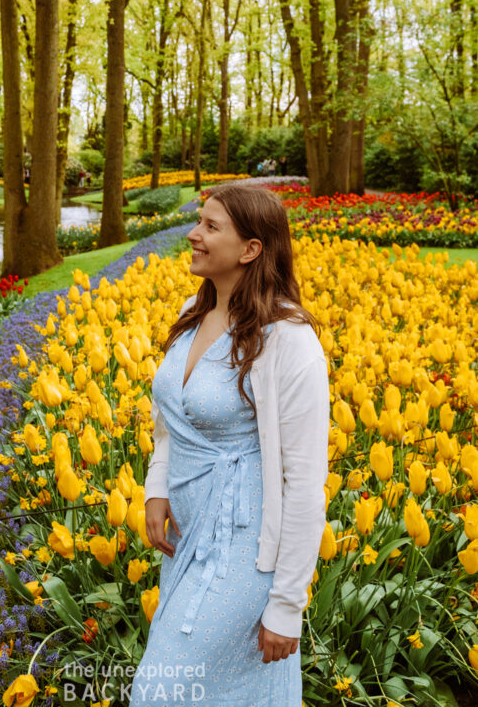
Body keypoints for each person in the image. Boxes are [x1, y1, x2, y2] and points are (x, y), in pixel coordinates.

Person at [129, 183, 329, 707]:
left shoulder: (288, 340)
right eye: (200, 222)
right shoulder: (194, 315)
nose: (193, 235)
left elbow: (305, 484)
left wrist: (286, 606)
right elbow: (170, 422)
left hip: (246, 554)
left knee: (159, 692)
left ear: (251, 250)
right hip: (189, 540)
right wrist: (157, 487)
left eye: (210, 227)